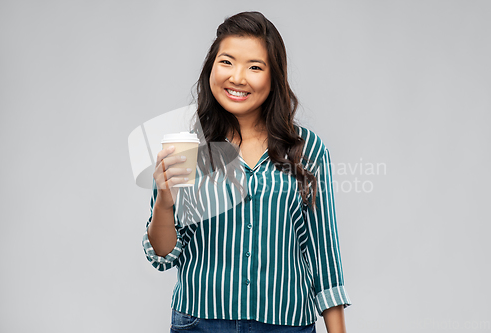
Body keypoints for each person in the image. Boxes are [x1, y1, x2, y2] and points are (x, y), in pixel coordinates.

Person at [143, 11, 351, 333]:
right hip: (201, 323)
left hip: (285, 325)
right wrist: (164, 202)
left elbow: (324, 255)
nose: (237, 77)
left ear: (274, 76)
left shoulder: (306, 150)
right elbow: (164, 254)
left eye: (254, 67)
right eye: (227, 62)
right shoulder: (185, 146)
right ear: (211, 68)